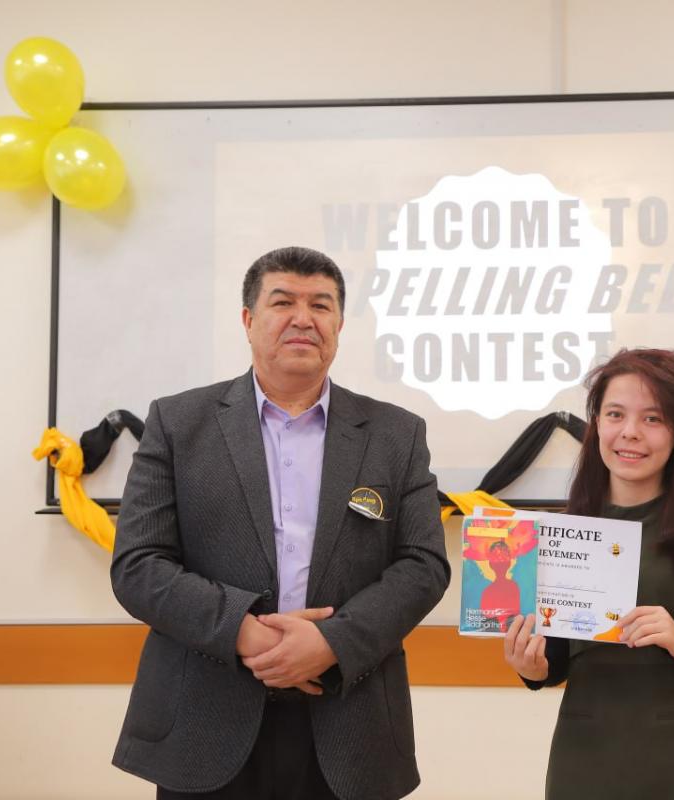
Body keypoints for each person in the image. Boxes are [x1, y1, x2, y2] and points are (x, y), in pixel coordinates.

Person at [110, 246, 450, 800]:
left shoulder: (396, 434)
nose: (303, 318)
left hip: (349, 720)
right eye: (283, 302)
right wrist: (243, 631)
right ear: (249, 320)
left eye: (321, 305)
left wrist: (330, 641)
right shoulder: (178, 423)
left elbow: (423, 566)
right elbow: (138, 565)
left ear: (339, 325)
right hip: (204, 719)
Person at [503, 348, 674, 800]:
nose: (629, 432)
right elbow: (558, 659)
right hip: (584, 759)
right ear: (596, 424)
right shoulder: (561, 532)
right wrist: (534, 668)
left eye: (652, 418)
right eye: (615, 414)